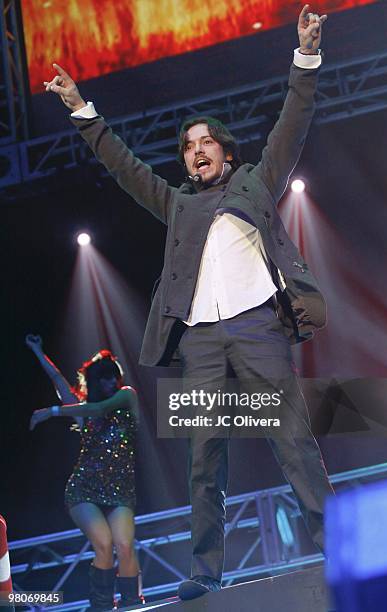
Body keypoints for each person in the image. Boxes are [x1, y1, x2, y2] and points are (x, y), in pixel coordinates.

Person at [43, 4, 335, 601]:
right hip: (200, 337)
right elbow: (123, 165)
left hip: (258, 327)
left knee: (292, 440)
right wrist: (80, 108)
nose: (197, 151)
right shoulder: (176, 203)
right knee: (204, 459)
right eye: (188, 147)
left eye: (207, 143)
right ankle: (206, 572)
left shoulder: (256, 181)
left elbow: (293, 122)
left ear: (226, 152)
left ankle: (339, 549)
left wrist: (305, 54)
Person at [26, 335, 144, 610]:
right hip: (84, 488)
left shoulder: (127, 396)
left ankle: (132, 604)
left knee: (125, 545)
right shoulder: (84, 412)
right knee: (103, 544)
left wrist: (53, 412)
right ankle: (102, 606)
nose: (110, 383)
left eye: (113, 377)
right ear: (95, 382)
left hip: (120, 489)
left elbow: (101, 408)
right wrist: (37, 350)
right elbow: (59, 382)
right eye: (104, 379)